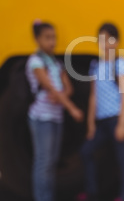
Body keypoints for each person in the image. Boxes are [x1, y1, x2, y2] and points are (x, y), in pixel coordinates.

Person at [27, 20, 84, 201]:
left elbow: (67, 89)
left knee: (50, 163)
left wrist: (61, 95)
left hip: (56, 116)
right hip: (41, 117)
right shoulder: (35, 61)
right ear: (37, 39)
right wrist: (72, 108)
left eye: (54, 38)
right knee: (43, 162)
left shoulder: (56, 63)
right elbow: (51, 87)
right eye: (47, 38)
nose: (52, 42)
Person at [80, 23, 124, 201]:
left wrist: (123, 123)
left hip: (116, 118)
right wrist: (90, 125)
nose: (106, 43)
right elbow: (93, 97)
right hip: (101, 122)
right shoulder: (95, 66)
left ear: (117, 42)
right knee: (86, 152)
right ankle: (92, 191)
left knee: (122, 159)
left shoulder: (120, 64)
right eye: (102, 39)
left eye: (110, 39)